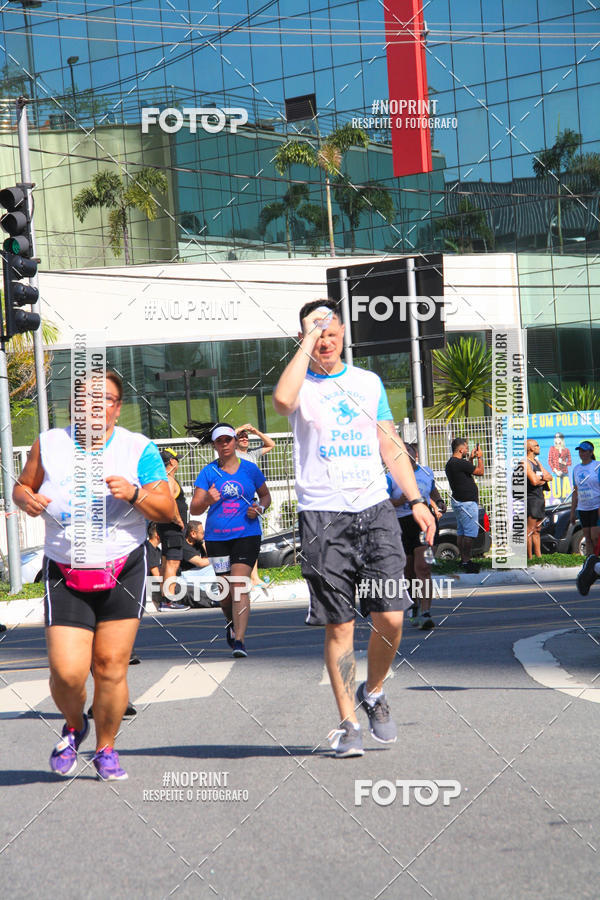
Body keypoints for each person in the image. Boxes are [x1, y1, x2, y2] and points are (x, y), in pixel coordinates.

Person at [273, 299, 435, 758]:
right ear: (304, 337)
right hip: (322, 517)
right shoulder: (299, 384)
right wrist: (306, 338)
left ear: (344, 332)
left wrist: (418, 500)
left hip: (375, 509)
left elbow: (389, 444)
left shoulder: (368, 383)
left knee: (391, 614)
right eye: (315, 331)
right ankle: (347, 723)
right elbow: (282, 401)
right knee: (340, 625)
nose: (325, 338)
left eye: (331, 329)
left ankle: (375, 690)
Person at [13, 371, 175, 781]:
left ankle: (106, 747)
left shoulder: (138, 449)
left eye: (104, 400)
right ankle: (74, 724)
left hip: (123, 565)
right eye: (85, 399)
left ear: (117, 408)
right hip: (65, 568)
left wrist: (136, 494)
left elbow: (168, 509)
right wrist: (27, 500)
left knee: (109, 666)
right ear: (73, 405)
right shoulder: (49, 444)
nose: (93, 407)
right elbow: (21, 487)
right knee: (66, 672)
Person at [189, 422, 271, 658]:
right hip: (217, 539)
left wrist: (260, 508)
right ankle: (231, 622)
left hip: (247, 534)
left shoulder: (250, 469)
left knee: (238, 584)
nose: (224, 444)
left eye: (228, 439)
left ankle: (240, 640)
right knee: (225, 593)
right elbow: (194, 509)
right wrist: (207, 500)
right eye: (219, 441)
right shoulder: (208, 472)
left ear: (235, 441)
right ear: (214, 445)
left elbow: (265, 496)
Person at [387, 442, 446, 630]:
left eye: (410, 453)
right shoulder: (390, 477)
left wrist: (439, 501)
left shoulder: (426, 472)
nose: (408, 456)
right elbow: (384, 503)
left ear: (416, 455)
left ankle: (426, 612)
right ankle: (413, 604)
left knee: (423, 569)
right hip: (401, 525)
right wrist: (399, 501)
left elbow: (432, 489)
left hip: (422, 523)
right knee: (408, 571)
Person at [236, 425, 275, 593]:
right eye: (241, 437)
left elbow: (271, 444)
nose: (244, 438)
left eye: (246, 437)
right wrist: (240, 428)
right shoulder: (231, 454)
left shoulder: (252, 454)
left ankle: (254, 577)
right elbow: (222, 438)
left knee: (253, 541)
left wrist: (256, 432)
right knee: (238, 542)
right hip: (237, 503)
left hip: (252, 502)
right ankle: (242, 578)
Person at [445, 438, 484, 574]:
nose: (468, 450)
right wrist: (480, 458)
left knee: (461, 532)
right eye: (466, 448)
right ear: (461, 449)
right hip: (467, 503)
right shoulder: (459, 463)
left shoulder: (452, 463)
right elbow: (480, 472)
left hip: (459, 502)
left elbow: (466, 471)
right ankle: (466, 561)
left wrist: (471, 459)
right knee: (469, 534)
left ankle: (464, 560)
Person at [157, 448, 188, 610]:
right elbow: (169, 502)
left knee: (167, 561)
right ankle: (169, 600)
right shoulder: (168, 480)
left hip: (167, 528)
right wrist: (179, 520)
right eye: (177, 459)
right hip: (172, 528)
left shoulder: (164, 479)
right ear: (172, 462)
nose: (178, 462)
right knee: (173, 562)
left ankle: (165, 598)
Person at [570, 440, 600, 557]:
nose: (581, 453)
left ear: (590, 452)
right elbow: (575, 491)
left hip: (596, 506)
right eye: (580, 451)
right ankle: (590, 565)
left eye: (584, 451)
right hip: (583, 508)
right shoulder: (576, 469)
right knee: (587, 538)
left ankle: (597, 561)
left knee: (595, 537)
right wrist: (572, 512)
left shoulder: (597, 466)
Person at [526, 439, 552, 558]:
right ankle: (529, 558)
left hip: (540, 498)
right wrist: (542, 478)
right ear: (531, 448)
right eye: (537, 446)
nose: (539, 447)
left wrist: (541, 478)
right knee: (529, 530)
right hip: (532, 500)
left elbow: (550, 476)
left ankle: (539, 556)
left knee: (537, 529)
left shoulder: (536, 462)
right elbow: (534, 481)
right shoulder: (525, 463)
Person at [548, 433, 572, 500]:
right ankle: (558, 507)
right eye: (555, 437)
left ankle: (564, 506)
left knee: (564, 493)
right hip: (556, 473)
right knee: (557, 493)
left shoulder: (566, 450)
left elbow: (569, 463)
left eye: (558, 437)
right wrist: (556, 471)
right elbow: (550, 461)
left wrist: (563, 462)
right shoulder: (552, 448)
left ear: (562, 439)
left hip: (564, 473)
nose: (557, 438)